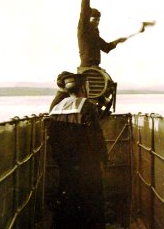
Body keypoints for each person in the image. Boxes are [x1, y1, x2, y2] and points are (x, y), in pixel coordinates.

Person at [48, 72, 108, 229]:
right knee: (91, 202)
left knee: (67, 200)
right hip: (87, 165)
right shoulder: (86, 106)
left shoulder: (56, 108)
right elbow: (96, 137)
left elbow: (53, 138)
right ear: (83, 87)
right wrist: (103, 161)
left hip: (65, 164)